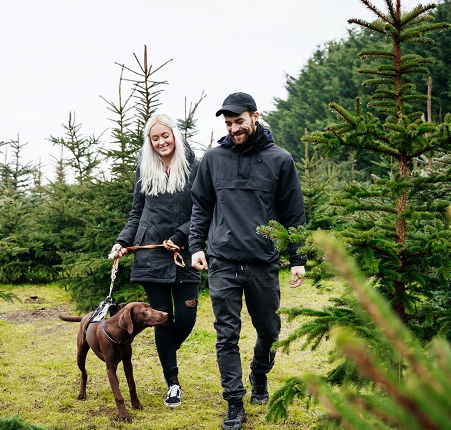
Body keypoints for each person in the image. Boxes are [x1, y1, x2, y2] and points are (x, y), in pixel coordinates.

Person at [188, 92, 307, 430]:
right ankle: (234, 403)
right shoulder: (213, 159)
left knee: (269, 331)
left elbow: (293, 213)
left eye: (239, 122)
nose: (234, 129)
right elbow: (201, 207)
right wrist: (196, 245)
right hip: (223, 262)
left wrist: (298, 256)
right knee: (226, 334)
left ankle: (259, 373)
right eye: (228, 124)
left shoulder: (280, 160)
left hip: (262, 262)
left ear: (255, 116)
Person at [110, 113, 201, 408]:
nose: (161, 142)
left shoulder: (194, 168)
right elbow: (137, 213)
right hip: (150, 255)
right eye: (155, 138)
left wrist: (182, 234)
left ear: (174, 135)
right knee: (162, 319)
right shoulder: (145, 169)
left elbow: (203, 210)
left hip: (184, 254)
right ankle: (172, 382)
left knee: (186, 319)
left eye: (165, 135)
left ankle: (166, 353)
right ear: (149, 142)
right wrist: (123, 241)